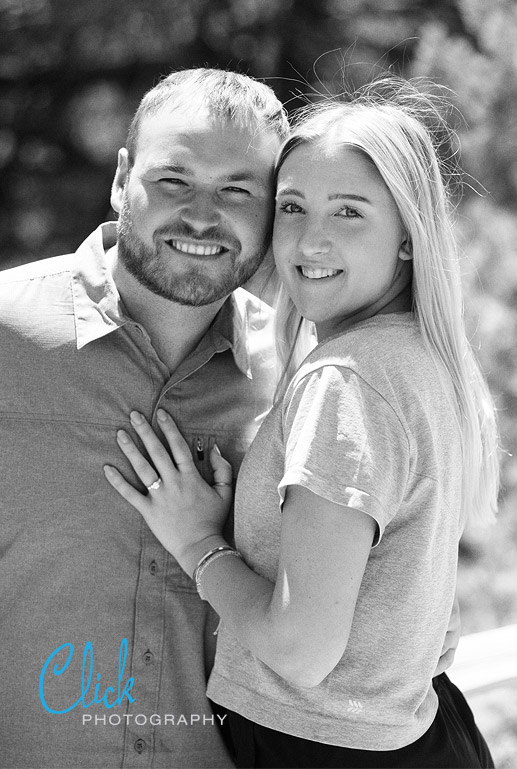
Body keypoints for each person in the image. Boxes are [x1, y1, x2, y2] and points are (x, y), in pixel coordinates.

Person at [105, 77, 500, 768]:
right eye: (292, 206)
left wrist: (199, 543)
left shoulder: (345, 379)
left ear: (408, 234)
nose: (309, 240)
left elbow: (301, 649)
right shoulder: (419, 355)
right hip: (410, 733)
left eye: (347, 211)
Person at [0, 68, 289, 768]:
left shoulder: (294, 372)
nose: (201, 214)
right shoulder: (5, 335)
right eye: (174, 180)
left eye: (238, 190)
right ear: (121, 176)